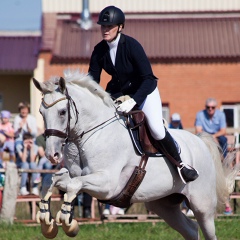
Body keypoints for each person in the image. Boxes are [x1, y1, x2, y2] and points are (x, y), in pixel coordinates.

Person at [88, 5, 198, 183]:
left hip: (144, 91)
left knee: (156, 129)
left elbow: (149, 78)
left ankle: (181, 164)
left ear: (120, 27)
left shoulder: (132, 46)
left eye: (109, 26)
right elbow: (92, 80)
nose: (105, 30)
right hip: (117, 93)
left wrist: (134, 100)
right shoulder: (99, 50)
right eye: (103, 26)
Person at [195, 97, 231, 215]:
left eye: (212, 107)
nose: (210, 109)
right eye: (208, 107)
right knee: (200, 140)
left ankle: (223, 160)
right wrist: (210, 138)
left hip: (217, 137)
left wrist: (214, 136)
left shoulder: (220, 115)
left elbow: (223, 130)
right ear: (205, 107)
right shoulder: (200, 114)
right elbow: (198, 130)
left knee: (224, 140)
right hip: (205, 137)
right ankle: (200, 160)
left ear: (216, 108)